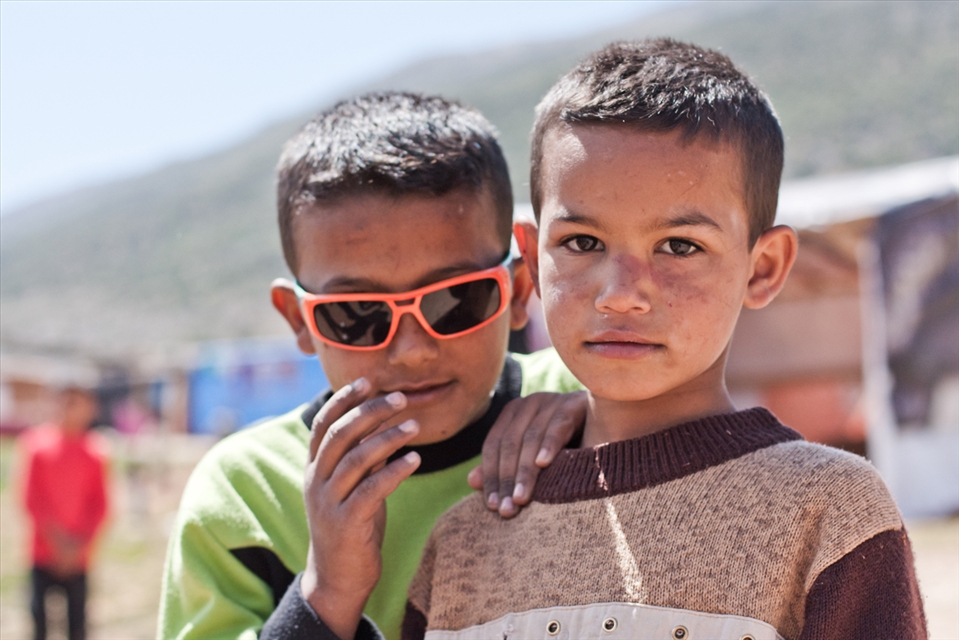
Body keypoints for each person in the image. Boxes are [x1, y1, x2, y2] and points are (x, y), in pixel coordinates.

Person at [403, 39, 927, 639]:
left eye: (680, 247)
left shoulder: (827, 512)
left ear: (762, 268)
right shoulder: (463, 545)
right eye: (582, 242)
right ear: (531, 258)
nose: (620, 293)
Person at [158, 92, 586, 640]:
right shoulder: (246, 497)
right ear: (299, 321)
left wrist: (607, 422)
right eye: (356, 315)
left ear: (519, 288)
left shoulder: (591, 408)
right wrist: (326, 593)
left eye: (456, 300)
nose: (411, 350)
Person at [20, 386, 109, 640]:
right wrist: (57, 541)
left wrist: (79, 545)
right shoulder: (37, 446)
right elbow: (31, 499)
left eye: (78, 403)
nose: (70, 409)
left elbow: (100, 505)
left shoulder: (96, 452)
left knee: (78, 624)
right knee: (39, 621)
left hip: (78, 556)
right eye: (66, 402)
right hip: (42, 552)